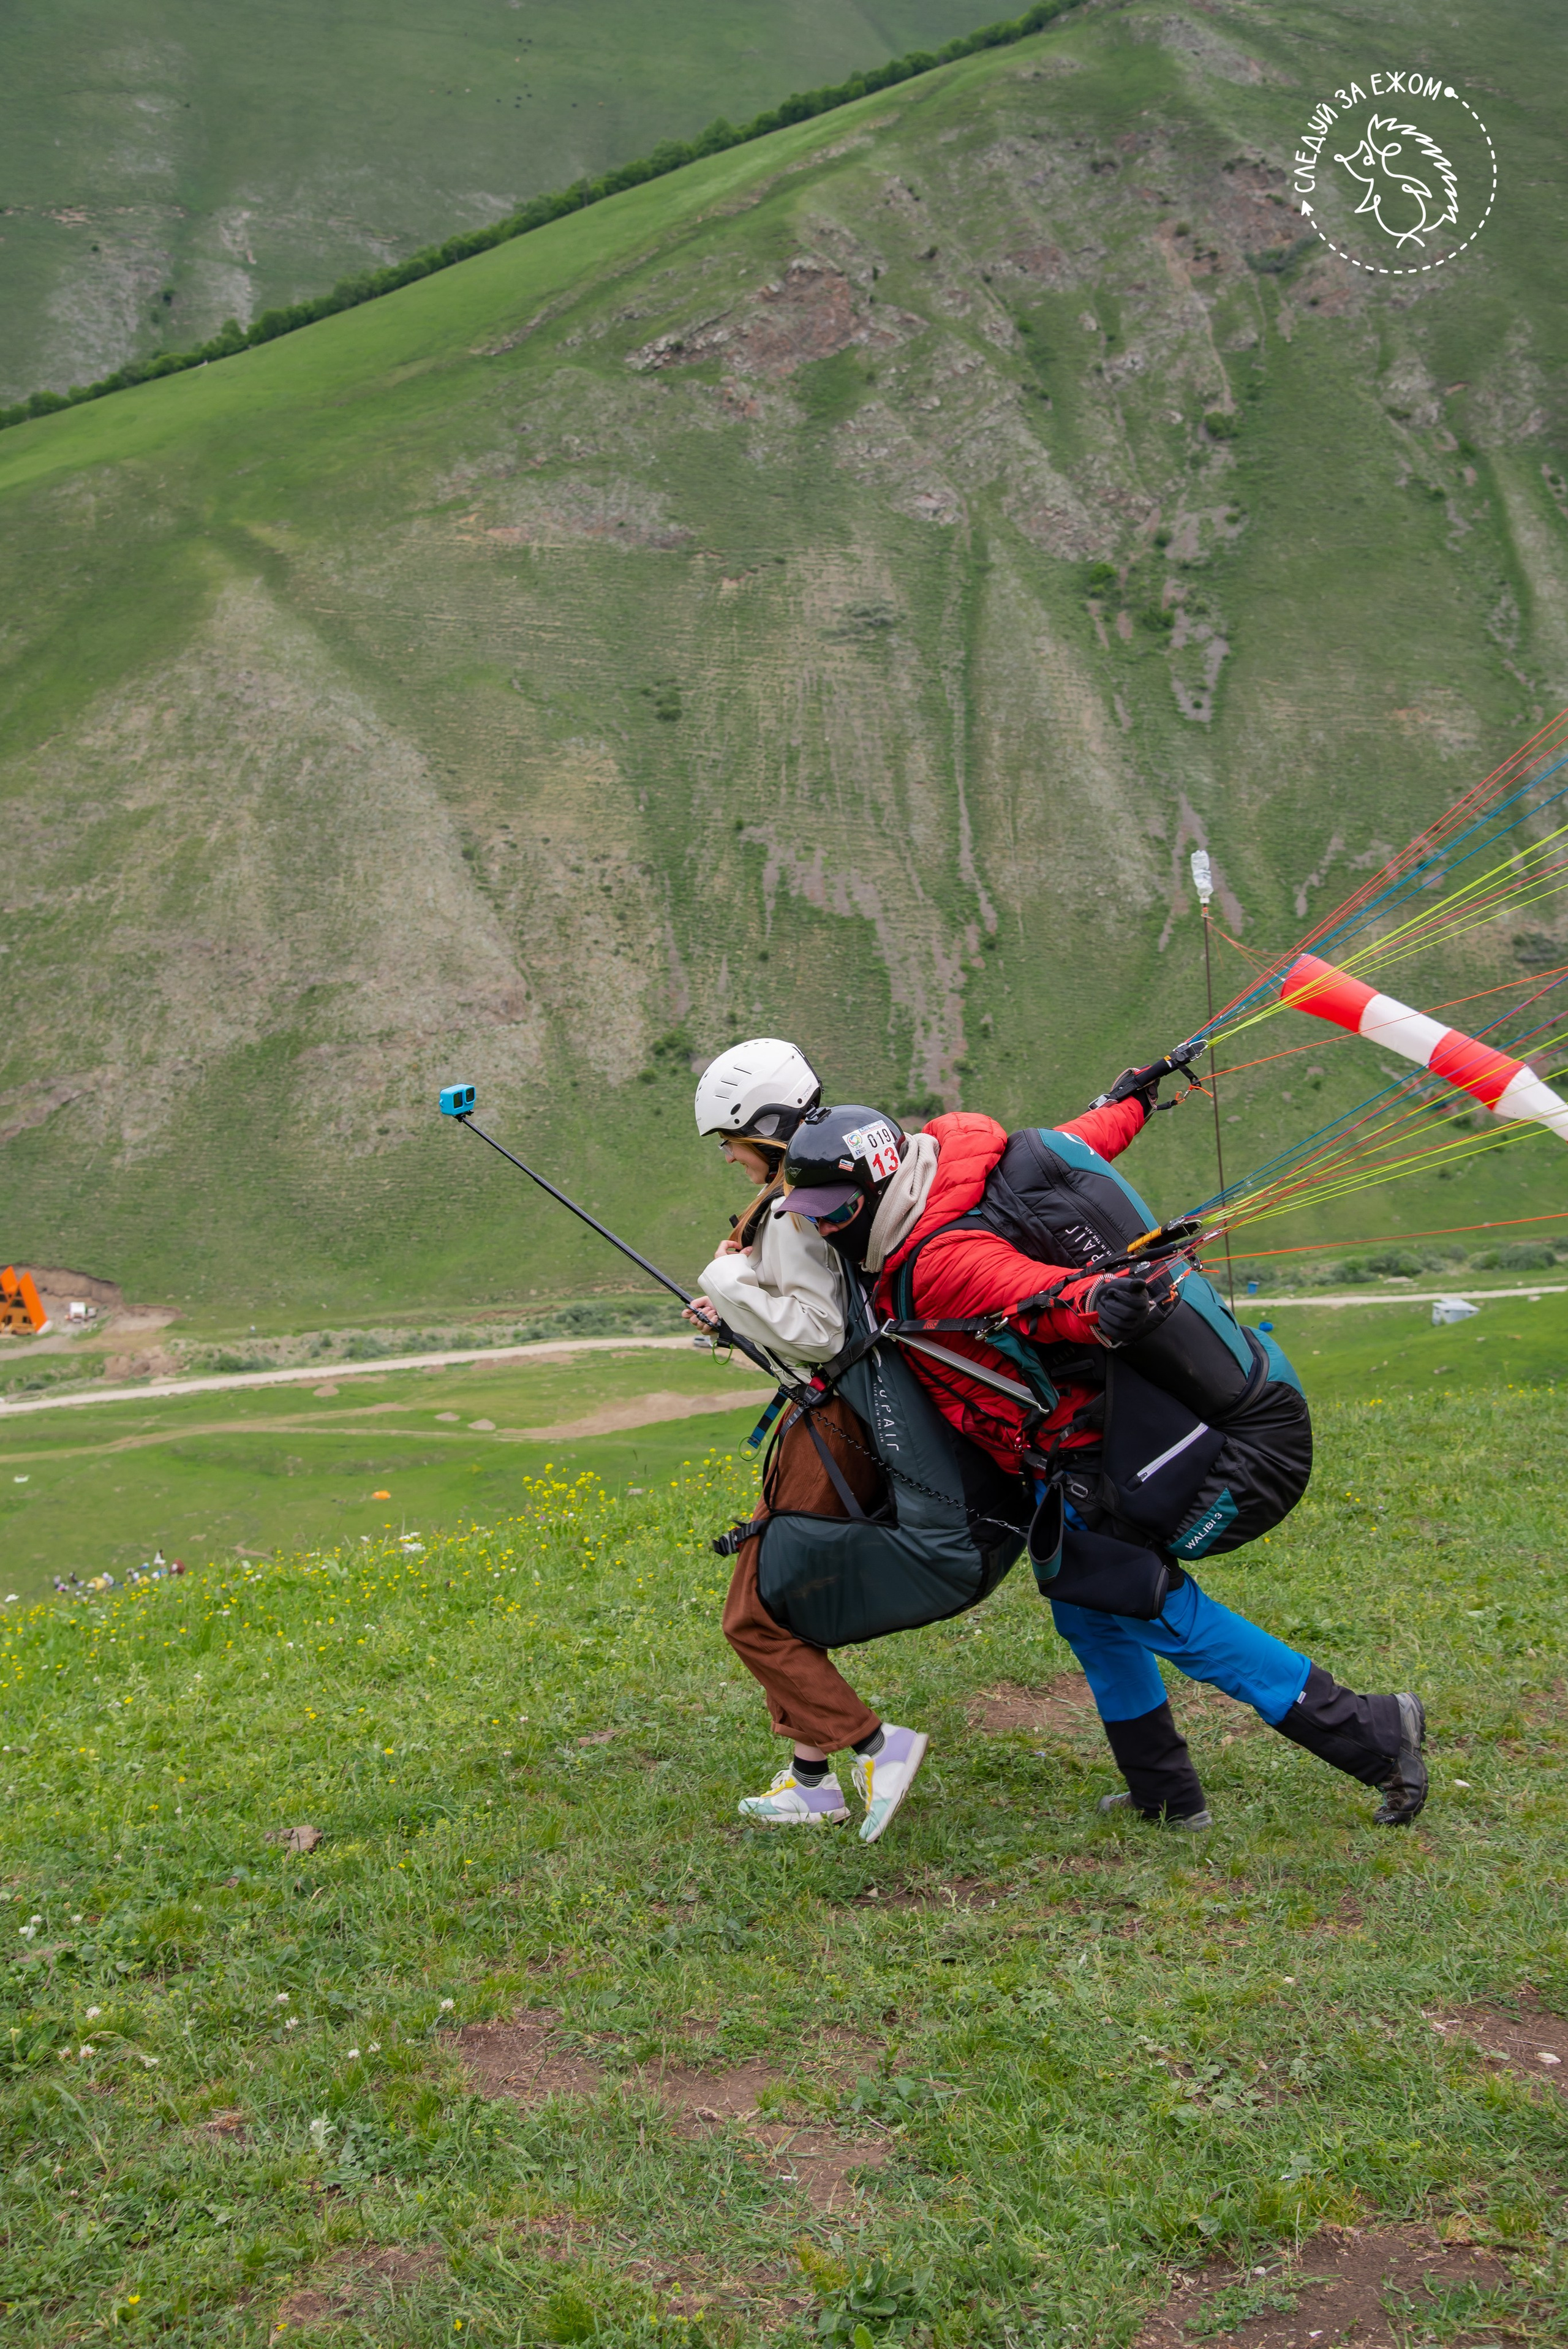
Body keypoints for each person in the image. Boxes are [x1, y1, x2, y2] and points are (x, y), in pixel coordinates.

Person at [778, 1090, 1428, 1831]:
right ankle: (1163, 1792)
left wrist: (1096, 1301)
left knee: (1157, 1610)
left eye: (833, 1207)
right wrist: (1135, 1102)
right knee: (1090, 1613)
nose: (822, 1221)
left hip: (1089, 1446)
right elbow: (1071, 1144)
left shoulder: (937, 1257)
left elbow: (1038, 1294)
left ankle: (1373, 1731)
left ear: (880, 1184)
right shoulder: (956, 1165)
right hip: (1071, 1444)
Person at [685, 1041, 929, 1842]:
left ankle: (874, 1746)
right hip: (824, 1417)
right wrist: (734, 1315)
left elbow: (821, 1335)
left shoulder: (795, 1208)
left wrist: (728, 1285)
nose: (727, 1153)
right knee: (779, 1597)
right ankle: (812, 1780)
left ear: (768, 1126)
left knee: (753, 1613)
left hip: (829, 1421)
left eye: (731, 1137)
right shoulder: (821, 1189)